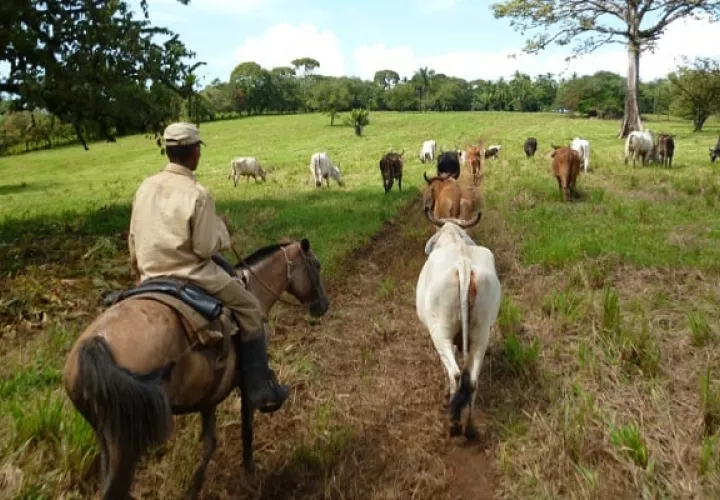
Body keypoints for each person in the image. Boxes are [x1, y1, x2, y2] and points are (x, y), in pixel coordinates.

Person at [127, 121, 289, 413]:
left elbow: (133, 239)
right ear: (194, 153)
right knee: (251, 309)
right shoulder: (198, 193)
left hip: (149, 275)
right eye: (198, 150)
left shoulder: (145, 187)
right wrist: (222, 234)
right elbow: (203, 248)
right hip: (193, 275)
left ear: (168, 151)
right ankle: (259, 388)